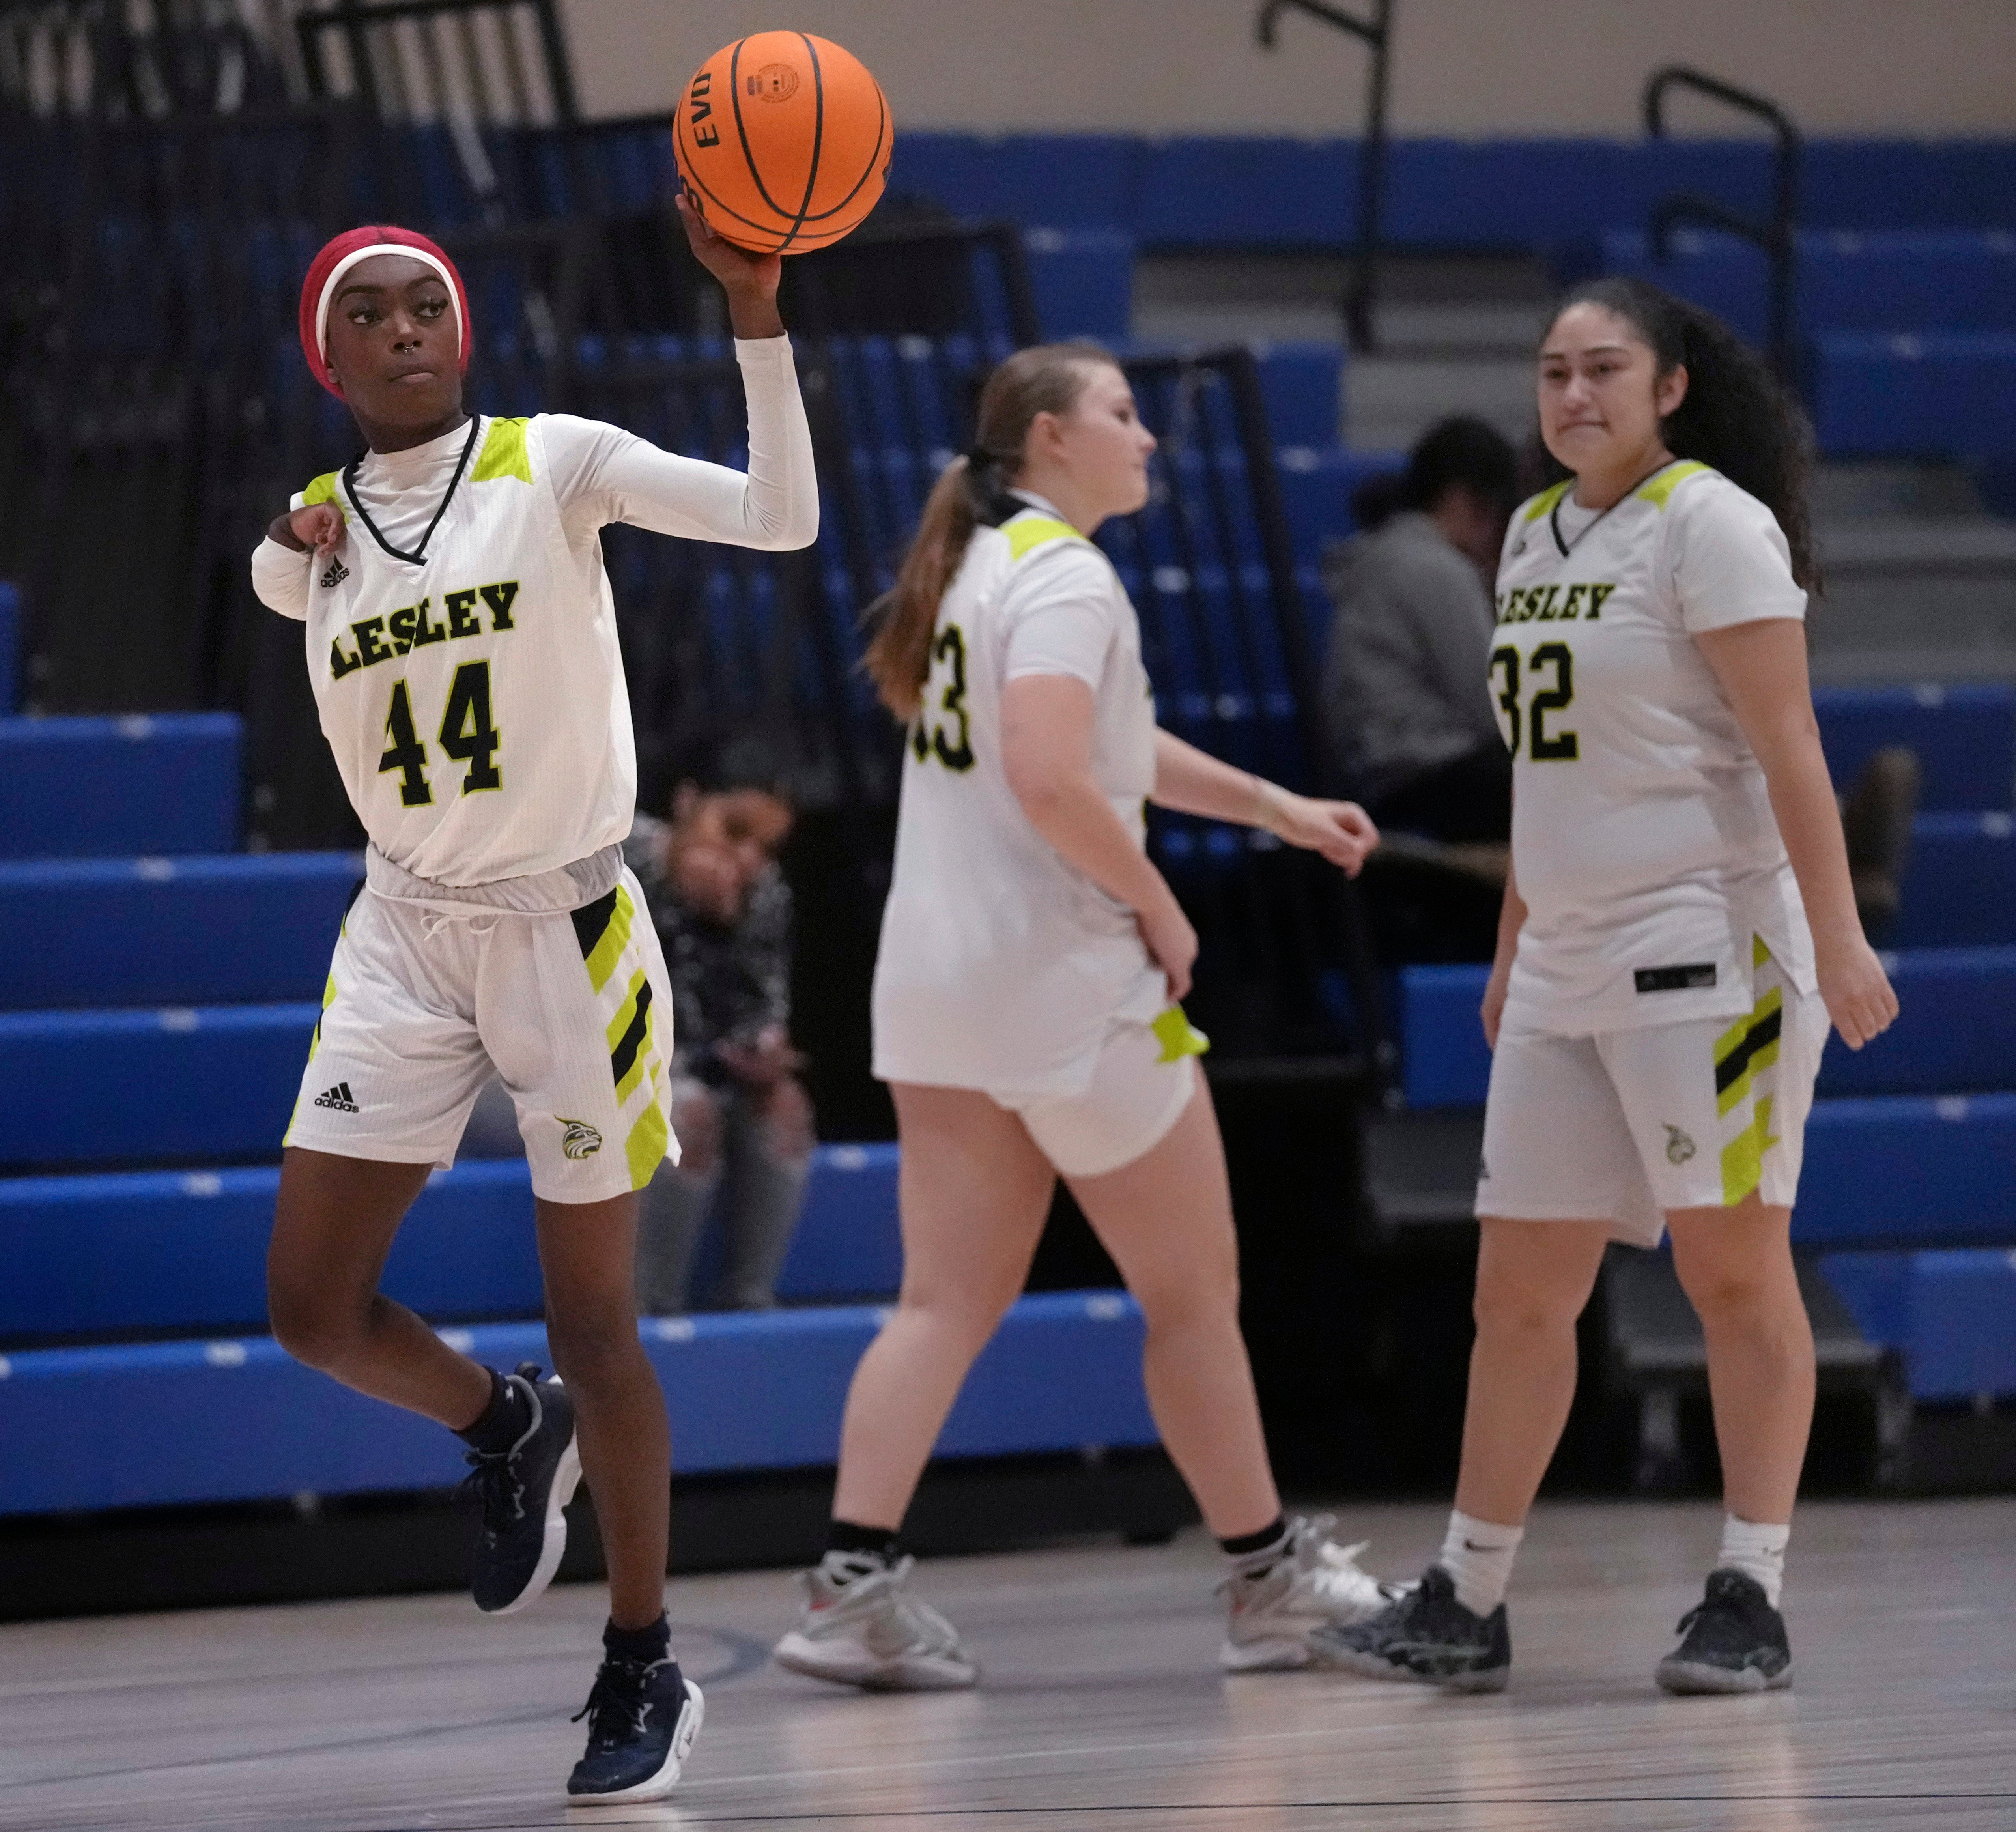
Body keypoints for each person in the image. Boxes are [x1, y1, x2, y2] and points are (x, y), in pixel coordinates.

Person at [252, 206, 816, 1804]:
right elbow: (276, 568)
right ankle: (505, 1427)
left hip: (568, 934)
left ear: (464, 333)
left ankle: (642, 1660)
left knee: (599, 1317)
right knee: (309, 1309)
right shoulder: (319, 534)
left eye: (425, 299)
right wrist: (291, 537)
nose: (404, 324)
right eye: (367, 308)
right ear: (327, 354)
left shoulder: (554, 461)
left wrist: (753, 317)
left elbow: (779, 517)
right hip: (402, 934)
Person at [769, 340, 1394, 1693]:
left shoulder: (977, 572)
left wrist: (1273, 808)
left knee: (936, 1303)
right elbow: (1056, 775)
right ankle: (1265, 1577)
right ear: (1049, 439)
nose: (1147, 438)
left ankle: (845, 1586)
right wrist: (1161, 905)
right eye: (1120, 414)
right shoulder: (1063, 574)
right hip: (1063, 986)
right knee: (1191, 1296)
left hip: (936, 986)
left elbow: (1098, 748)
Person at [1313, 277, 1900, 1696]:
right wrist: (1517, 940)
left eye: (1604, 370)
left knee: (1728, 1270)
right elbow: (1541, 771)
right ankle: (1467, 1593)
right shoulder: (1528, 533)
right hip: (1570, 958)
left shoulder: (1711, 524)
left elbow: (1791, 746)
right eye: (1555, 373)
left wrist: (1838, 936)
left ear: (1670, 387)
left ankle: (1749, 1592)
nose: (1574, 395)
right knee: (1517, 1292)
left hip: (1716, 947)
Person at [628, 763, 811, 1315]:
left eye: (767, 846)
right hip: (603, 1065)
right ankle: (647, 1309)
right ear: (687, 802)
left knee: (785, 1107)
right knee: (690, 1113)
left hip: (696, 1065)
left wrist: (762, 1050)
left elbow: (762, 1006)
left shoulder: (763, 893)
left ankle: (750, 1299)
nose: (750, 859)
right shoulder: (616, 862)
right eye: (734, 831)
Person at [1325, 414, 1521, 848]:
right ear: (1463, 500)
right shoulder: (1434, 567)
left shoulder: (1389, 553)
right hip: (1418, 773)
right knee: (1560, 775)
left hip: (1387, 769)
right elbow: (1493, 702)